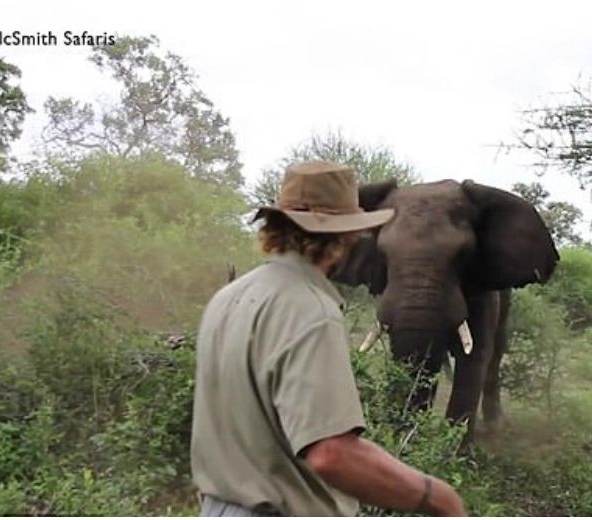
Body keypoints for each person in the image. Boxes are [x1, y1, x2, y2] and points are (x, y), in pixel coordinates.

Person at [190, 160, 467, 517]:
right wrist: (437, 496)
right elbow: (330, 454)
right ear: (347, 236)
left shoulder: (227, 299)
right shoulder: (310, 308)